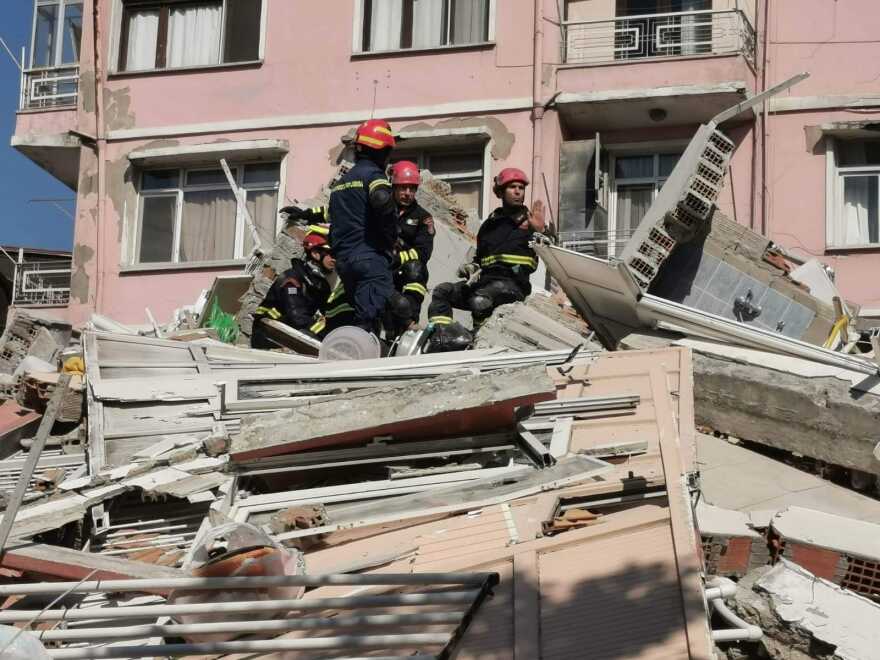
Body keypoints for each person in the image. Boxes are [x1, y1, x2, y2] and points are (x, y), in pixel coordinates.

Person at [426, 167, 545, 350]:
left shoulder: (530, 222)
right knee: (443, 292)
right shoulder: (489, 226)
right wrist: (471, 267)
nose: (518, 191)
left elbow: (549, 252)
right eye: (512, 187)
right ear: (500, 192)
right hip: (485, 283)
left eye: (521, 187)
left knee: (480, 300)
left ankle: (480, 341)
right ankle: (442, 337)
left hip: (512, 287)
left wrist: (540, 232)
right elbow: (480, 259)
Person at [328, 119, 398, 336]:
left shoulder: (341, 184)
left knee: (361, 313)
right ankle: (362, 358)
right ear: (381, 150)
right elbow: (382, 201)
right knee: (369, 319)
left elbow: (335, 220)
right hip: (369, 257)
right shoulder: (373, 176)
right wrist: (390, 240)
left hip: (345, 261)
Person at [251, 234, 348, 348]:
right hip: (269, 336)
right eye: (331, 254)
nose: (334, 259)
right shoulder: (292, 279)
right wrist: (328, 334)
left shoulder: (320, 284)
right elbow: (297, 317)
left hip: (290, 332)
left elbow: (328, 312)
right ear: (315, 254)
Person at [384, 160, 435, 338]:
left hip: (406, 272)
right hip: (382, 267)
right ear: (394, 186)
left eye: (412, 189)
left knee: (416, 268)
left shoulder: (423, 217)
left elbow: (423, 252)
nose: (407, 193)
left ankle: (410, 323)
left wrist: (398, 259)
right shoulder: (381, 209)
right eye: (403, 188)